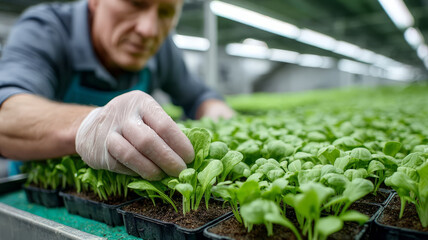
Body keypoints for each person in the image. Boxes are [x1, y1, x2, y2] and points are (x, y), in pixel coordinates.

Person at [0, 0, 234, 180]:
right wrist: (92, 123)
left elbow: (200, 96)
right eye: (135, 3)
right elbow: (7, 115)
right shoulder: (46, 30)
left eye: (165, 12)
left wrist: (219, 115)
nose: (149, 30)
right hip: (33, 188)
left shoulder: (163, 50)